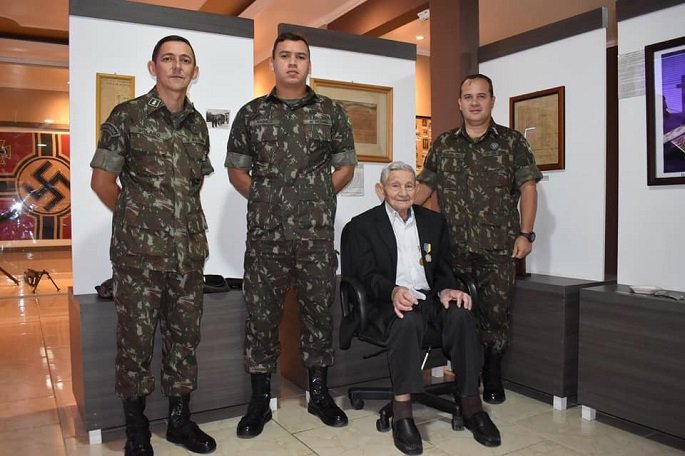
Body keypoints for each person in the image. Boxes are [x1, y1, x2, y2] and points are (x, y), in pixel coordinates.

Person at [225, 31, 357, 438]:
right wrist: (267, 200)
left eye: (300, 56)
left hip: (315, 237)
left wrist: (315, 199)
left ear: (309, 64)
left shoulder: (331, 112)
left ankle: (319, 394)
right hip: (265, 237)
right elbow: (236, 170)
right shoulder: (251, 114)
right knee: (261, 318)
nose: (293, 62)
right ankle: (259, 401)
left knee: (319, 314)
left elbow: (345, 167)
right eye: (285, 56)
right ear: (273, 63)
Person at [90, 35, 216, 456]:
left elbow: (193, 186)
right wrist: (137, 221)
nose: (177, 66)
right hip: (139, 258)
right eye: (168, 59)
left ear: (194, 71)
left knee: (184, 341)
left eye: (185, 60)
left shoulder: (198, 125)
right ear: (153, 67)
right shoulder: (127, 116)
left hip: (188, 255)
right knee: (136, 344)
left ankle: (179, 421)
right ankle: (137, 428)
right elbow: (102, 181)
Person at [342, 162, 501, 454]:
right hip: (385, 302)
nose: (403, 192)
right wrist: (393, 291)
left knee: (461, 315)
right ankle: (402, 412)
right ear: (381, 190)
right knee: (407, 320)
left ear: (417, 189)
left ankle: (471, 405)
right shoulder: (362, 226)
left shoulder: (433, 222)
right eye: (395, 186)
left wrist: (447, 288)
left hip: (428, 299)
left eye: (409, 185)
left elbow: (442, 269)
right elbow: (364, 276)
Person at [415, 74, 542, 405]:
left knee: (496, 315)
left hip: (499, 248)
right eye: (468, 97)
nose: (474, 102)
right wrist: (400, 214)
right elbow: (425, 186)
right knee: (459, 313)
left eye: (481, 96)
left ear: (492, 101)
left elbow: (529, 187)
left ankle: (493, 373)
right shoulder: (444, 144)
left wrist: (526, 233)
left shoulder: (512, 142)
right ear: (459, 103)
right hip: (453, 248)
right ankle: (466, 374)